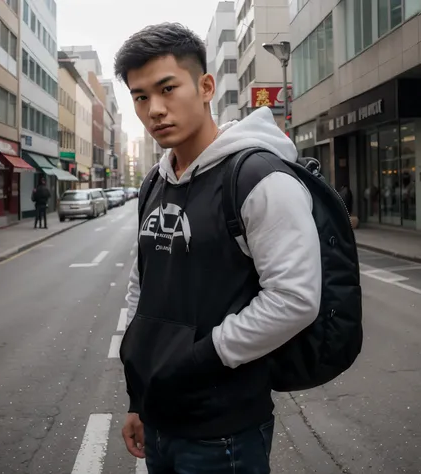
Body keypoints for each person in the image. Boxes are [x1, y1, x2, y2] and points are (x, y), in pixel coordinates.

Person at [115, 23, 322, 474]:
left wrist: (201, 356)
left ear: (206, 86)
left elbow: (295, 299)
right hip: (160, 418)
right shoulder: (154, 182)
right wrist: (140, 397)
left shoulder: (258, 178)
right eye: (140, 96)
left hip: (223, 433)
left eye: (167, 88)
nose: (155, 109)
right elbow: (142, 287)